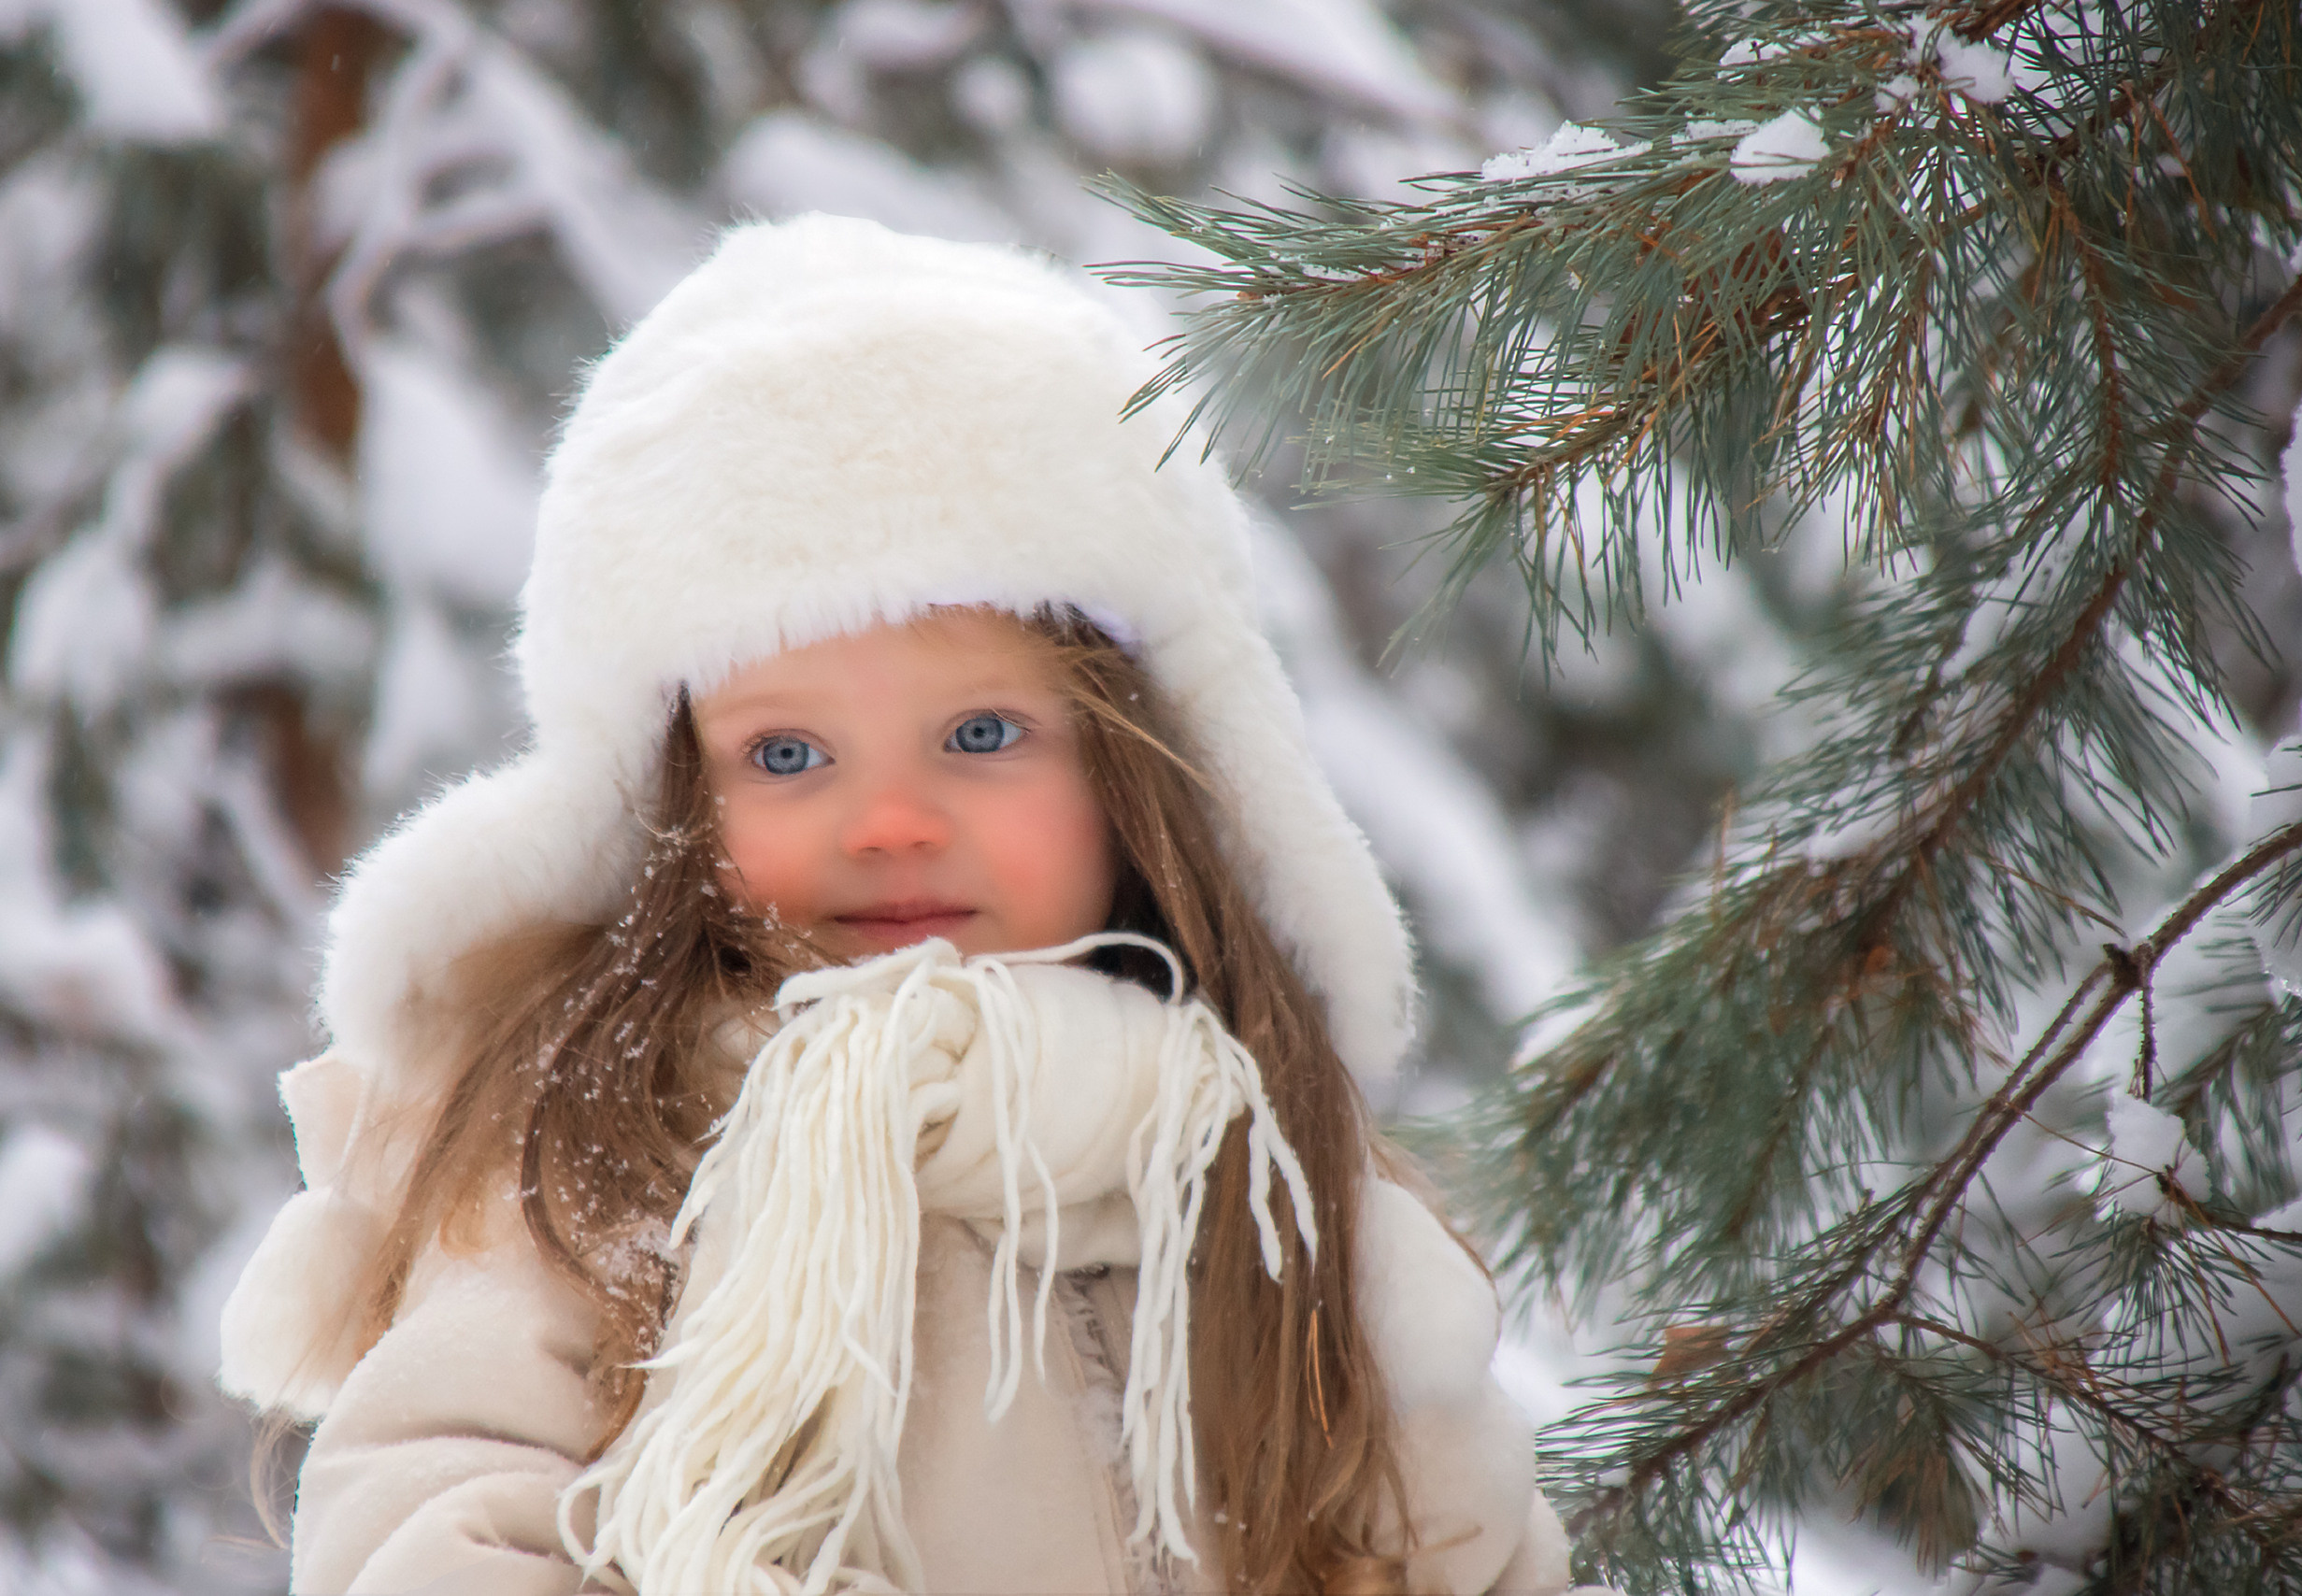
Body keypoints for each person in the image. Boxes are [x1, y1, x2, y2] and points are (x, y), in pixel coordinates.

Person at [219, 215, 1572, 1595]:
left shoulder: (1268, 1184)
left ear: (1143, 769)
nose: (888, 823)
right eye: (789, 756)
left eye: (981, 736)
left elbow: (1458, 1552)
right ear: (675, 804)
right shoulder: (607, 1156)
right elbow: (437, 1523)